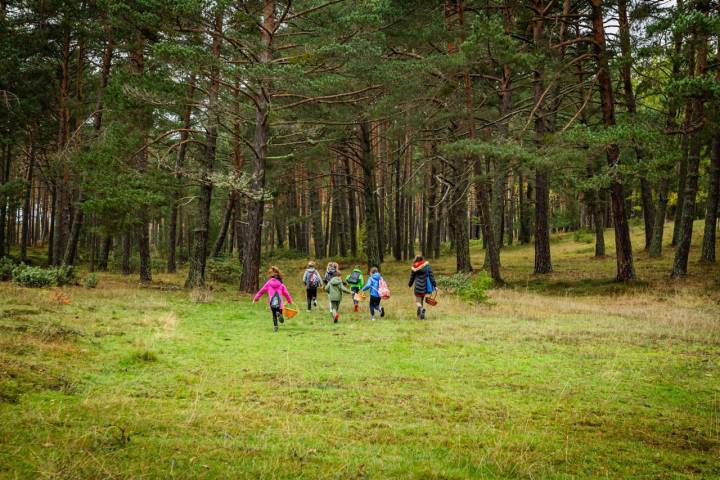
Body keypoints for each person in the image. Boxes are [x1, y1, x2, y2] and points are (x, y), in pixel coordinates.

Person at [253, 266, 293, 332]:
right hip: (279, 302)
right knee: (280, 315)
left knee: (274, 315)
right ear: (278, 274)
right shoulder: (281, 284)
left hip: (272, 302)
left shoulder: (268, 283)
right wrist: (289, 301)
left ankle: (275, 327)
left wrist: (256, 298)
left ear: (270, 275)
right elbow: (286, 293)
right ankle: (280, 315)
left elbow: (261, 291)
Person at [409, 255, 436, 320]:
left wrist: (410, 284)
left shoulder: (414, 267)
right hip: (425, 286)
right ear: (422, 259)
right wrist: (435, 285)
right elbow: (431, 276)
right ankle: (420, 316)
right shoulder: (427, 266)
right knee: (421, 301)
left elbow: (412, 277)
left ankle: (421, 309)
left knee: (418, 301)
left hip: (418, 286)